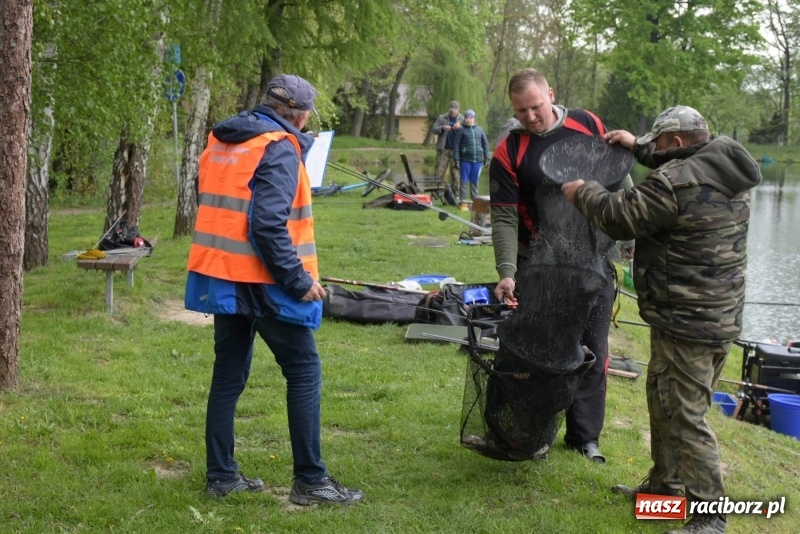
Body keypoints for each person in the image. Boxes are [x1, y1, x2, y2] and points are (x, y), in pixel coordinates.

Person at [561, 105, 762, 533]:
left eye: (659, 142)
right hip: (716, 315)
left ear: (675, 142)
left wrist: (582, 191)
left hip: (686, 320)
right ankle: (663, 492)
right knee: (662, 400)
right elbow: (679, 165)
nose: (654, 149)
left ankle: (711, 518)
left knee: (685, 415)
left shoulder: (673, 184)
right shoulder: (724, 164)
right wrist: (636, 147)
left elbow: (619, 216)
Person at [184, 74, 363, 505]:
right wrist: (299, 282)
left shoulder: (222, 139)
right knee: (303, 370)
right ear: (300, 114)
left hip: (223, 274)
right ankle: (311, 481)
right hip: (265, 280)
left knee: (227, 374)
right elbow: (266, 224)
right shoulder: (278, 147)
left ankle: (221, 476)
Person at [489, 68, 629, 464]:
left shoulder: (588, 124)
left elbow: (619, 182)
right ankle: (534, 430)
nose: (530, 117)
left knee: (593, 348)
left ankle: (585, 437)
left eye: (536, 106)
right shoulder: (508, 151)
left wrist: (631, 234)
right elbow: (503, 218)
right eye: (521, 111)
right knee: (540, 349)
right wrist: (506, 271)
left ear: (551, 93)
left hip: (594, 260)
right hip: (538, 264)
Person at [452, 109, 491, 210]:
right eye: (467, 118)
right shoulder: (461, 130)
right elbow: (456, 145)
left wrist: (487, 158)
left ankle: (475, 202)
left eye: (471, 118)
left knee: (474, 182)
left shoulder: (480, 130)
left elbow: (485, 144)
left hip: (478, 161)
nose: (469, 120)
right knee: (464, 181)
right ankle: (462, 201)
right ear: (464, 119)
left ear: (474, 119)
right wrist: (456, 159)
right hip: (465, 160)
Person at [432, 100, 464, 197]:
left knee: (455, 174)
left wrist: (460, 127)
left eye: (454, 111)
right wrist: (442, 128)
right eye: (451, 110)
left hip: (456, 151)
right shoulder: (442, 118)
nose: (452, 112)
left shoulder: (462, 119)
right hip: (443, 150)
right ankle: (435, 194)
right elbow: (434, 129)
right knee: (438, 172)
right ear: (448, 109)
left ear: (458, 110)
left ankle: (456, 195)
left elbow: (469, 131)